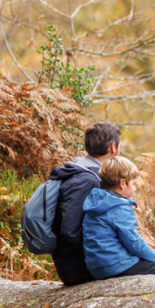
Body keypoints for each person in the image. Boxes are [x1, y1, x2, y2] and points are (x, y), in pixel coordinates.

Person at [82, 155, 155, 279]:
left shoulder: (96, 202)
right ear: (123, 183)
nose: (135, 189)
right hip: (117, 266)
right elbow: (132, 241)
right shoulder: (119, 208)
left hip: (99, 267)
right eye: (134, 184)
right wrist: (154, 257)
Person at [48, 122, 120, 286]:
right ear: (113, 147)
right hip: (78, 267)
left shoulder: (81, 172)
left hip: (76, 263)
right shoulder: (87, 180)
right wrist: (107, 252)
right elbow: (71, 230)